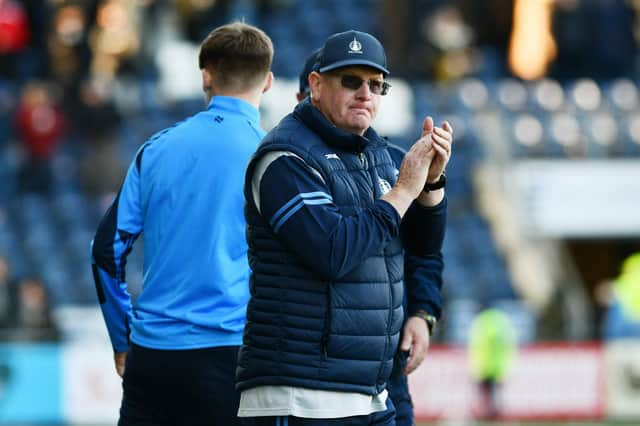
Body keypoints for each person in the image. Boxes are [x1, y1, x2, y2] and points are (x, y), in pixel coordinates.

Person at [237, 30, 452, 425]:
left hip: (370, 391)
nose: (365, 93)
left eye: (375, 84)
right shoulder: (284, 158)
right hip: (302, 395)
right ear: (315, 86)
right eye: (350, 81)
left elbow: (421, 247)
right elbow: (332, 251)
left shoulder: (377, 156)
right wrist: (405, 190)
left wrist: (431, 186)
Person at [90, 22, 274, 426]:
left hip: (155, 356)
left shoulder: (155, 150)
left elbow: (106, 252)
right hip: (236, 355)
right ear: (268, 82)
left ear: (206, 75)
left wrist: (123, 339)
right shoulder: (275, 157)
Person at [468, 308, 517, 420]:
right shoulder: (499, 324)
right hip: (493, 368)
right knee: (492, 395)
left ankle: (489, 414)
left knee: (488, 394)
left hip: (486, 368)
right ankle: (491, 414)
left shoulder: (482, 325)